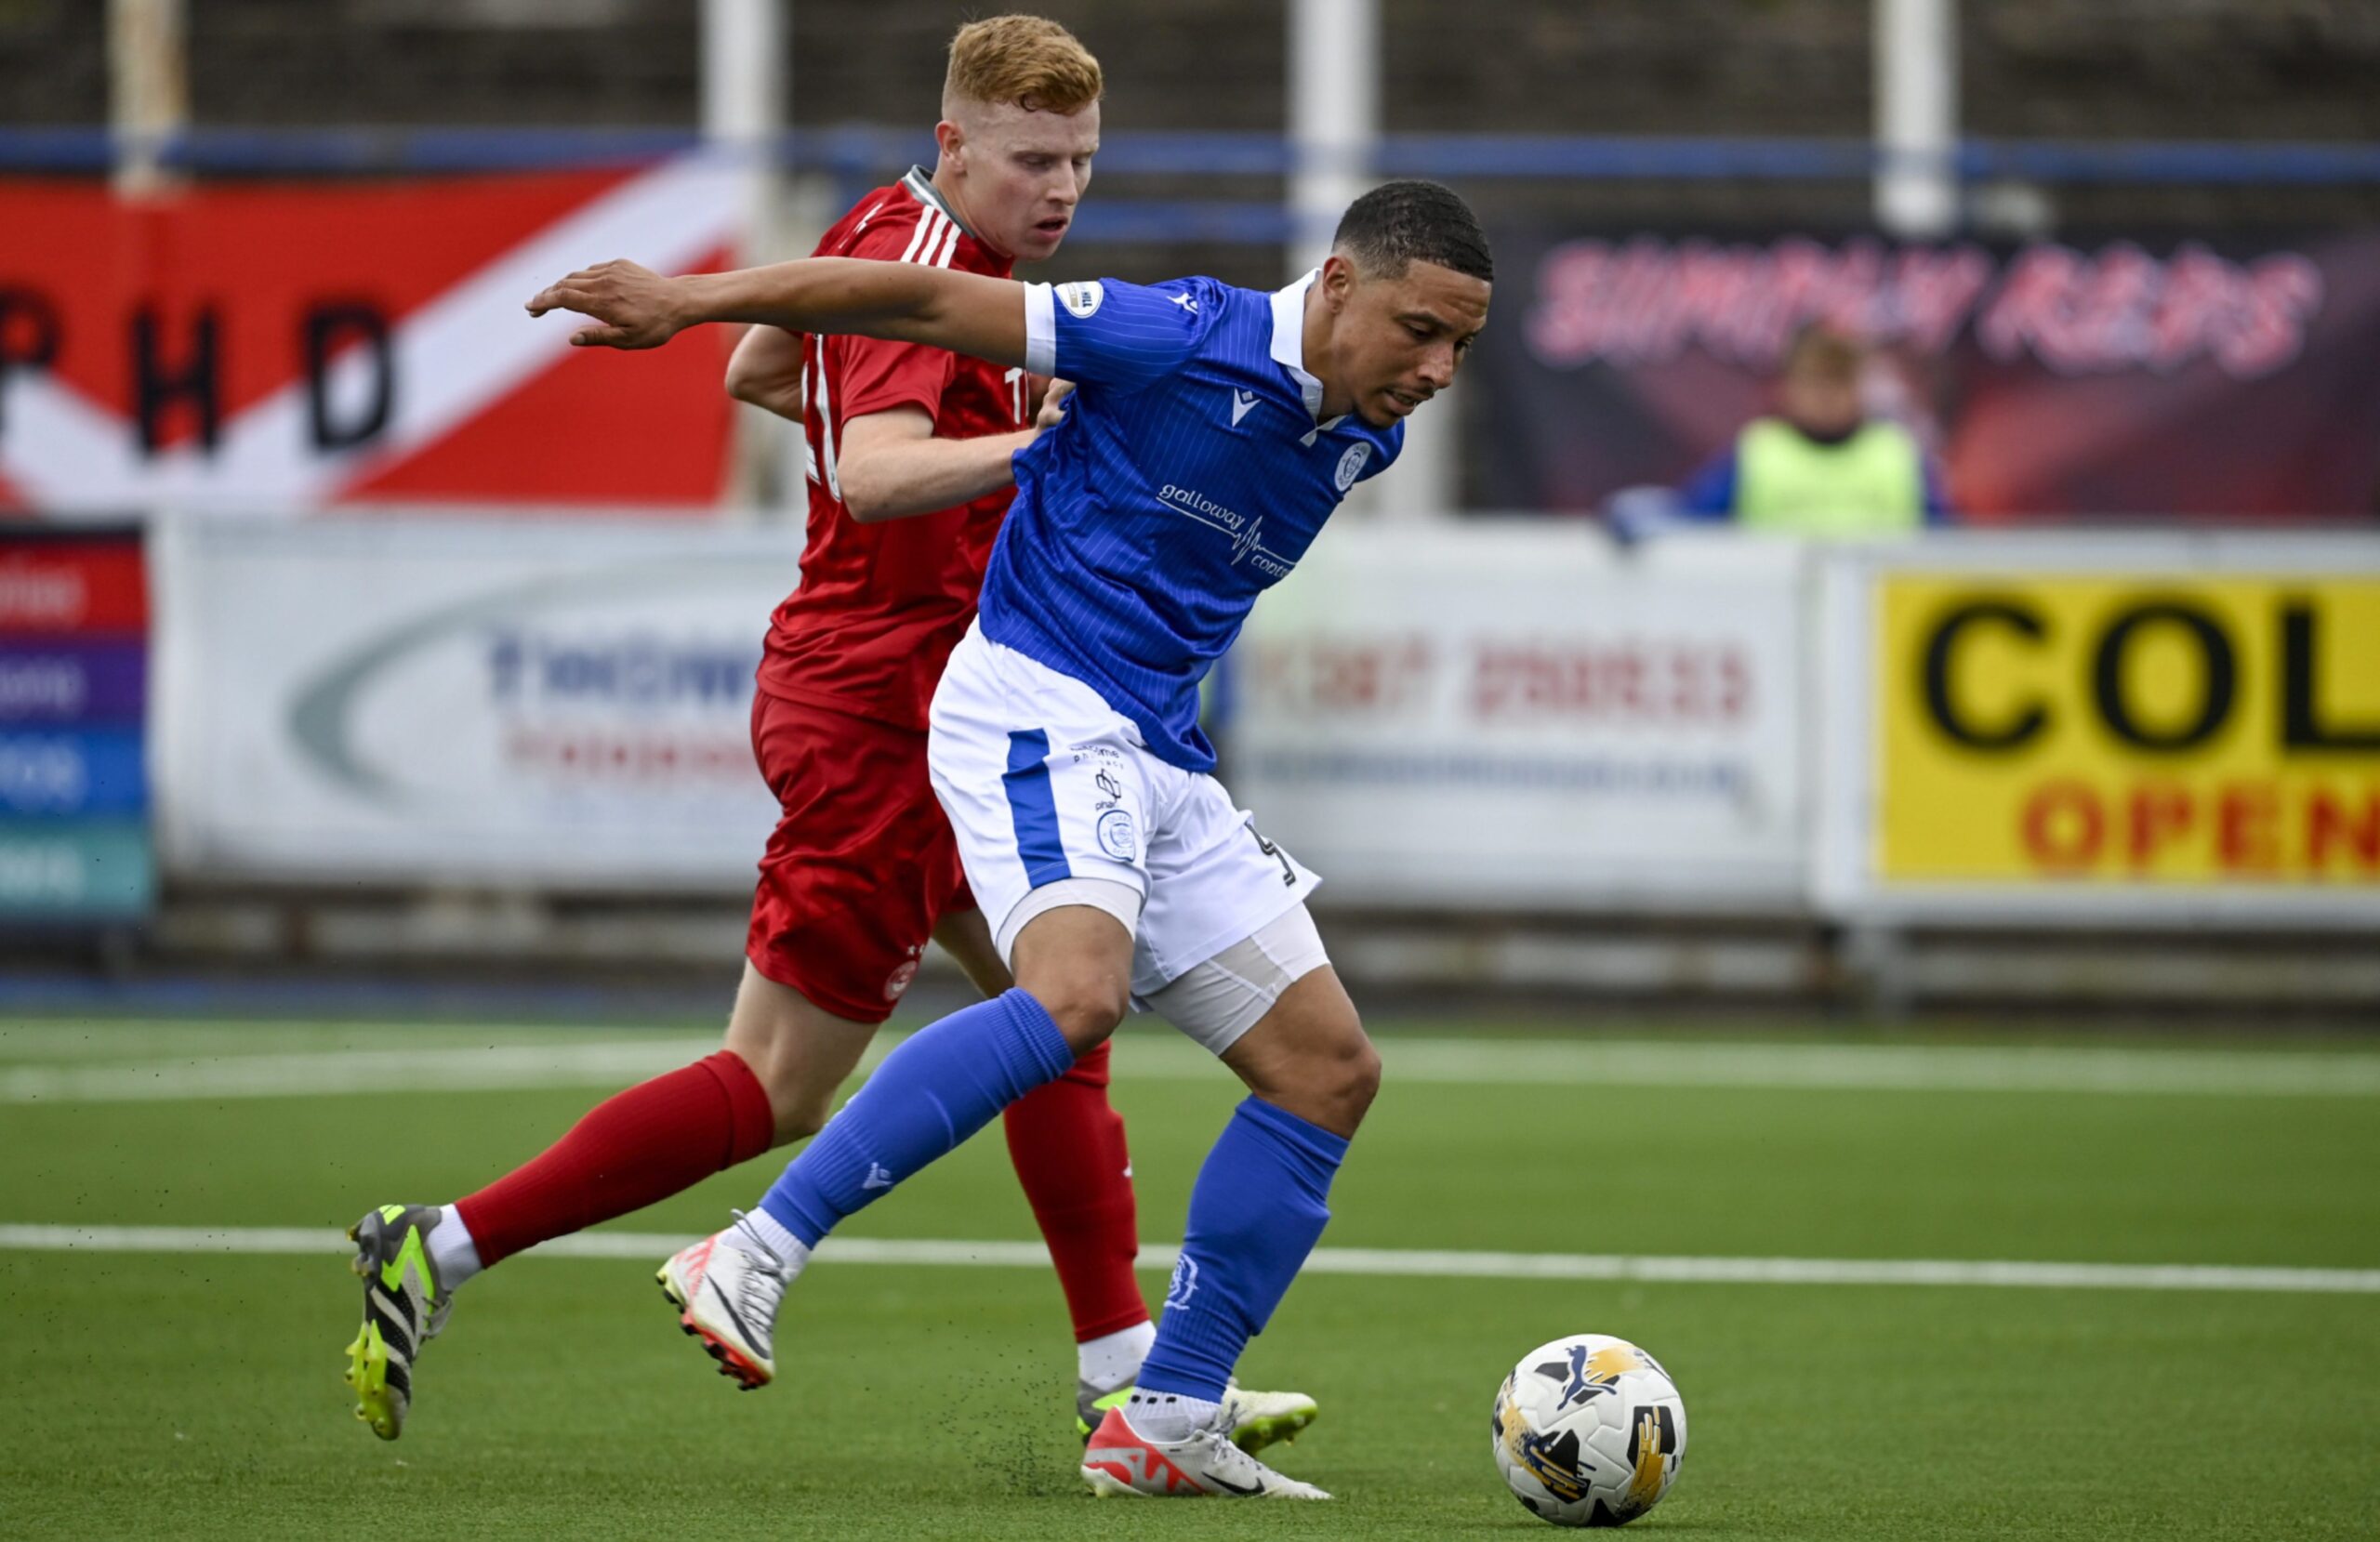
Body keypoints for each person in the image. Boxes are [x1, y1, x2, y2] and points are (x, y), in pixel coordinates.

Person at [340, 14, 1312, 1457]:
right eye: (1032, 159)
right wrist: (1037, 444)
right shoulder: (919, 254)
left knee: (1062, 1004)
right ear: (953, 144)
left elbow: (756, 373)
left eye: (1082, 163)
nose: (1061, 191)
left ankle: (1122, 1368)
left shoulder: (929, 256)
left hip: (937, 693)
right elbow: (868, 472)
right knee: (786, 1083)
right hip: (886, 709)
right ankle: (445, 1242)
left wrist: (955, 399)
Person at [527, 176, 1493, 1499]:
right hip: (1032, 702)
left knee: (1328, 1068)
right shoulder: (1179, 331)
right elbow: (919, 297)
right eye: (1421, 329)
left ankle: (1167, 1414)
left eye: (1462, 346)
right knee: (1075, 995)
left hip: (1158, 747)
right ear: (1335, 285)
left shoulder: (1360, 431)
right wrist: (684, 302)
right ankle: (754, 1247)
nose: (1438, 368)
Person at [1645, 323, 1950, 538]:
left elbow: (1953, 547)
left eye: (1839, 379)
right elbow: (1687, 527)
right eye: (1814, 380)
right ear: (1786, 387)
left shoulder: (1898, 456)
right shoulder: (1756, 455)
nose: (1827, 395)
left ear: (1861, 386)